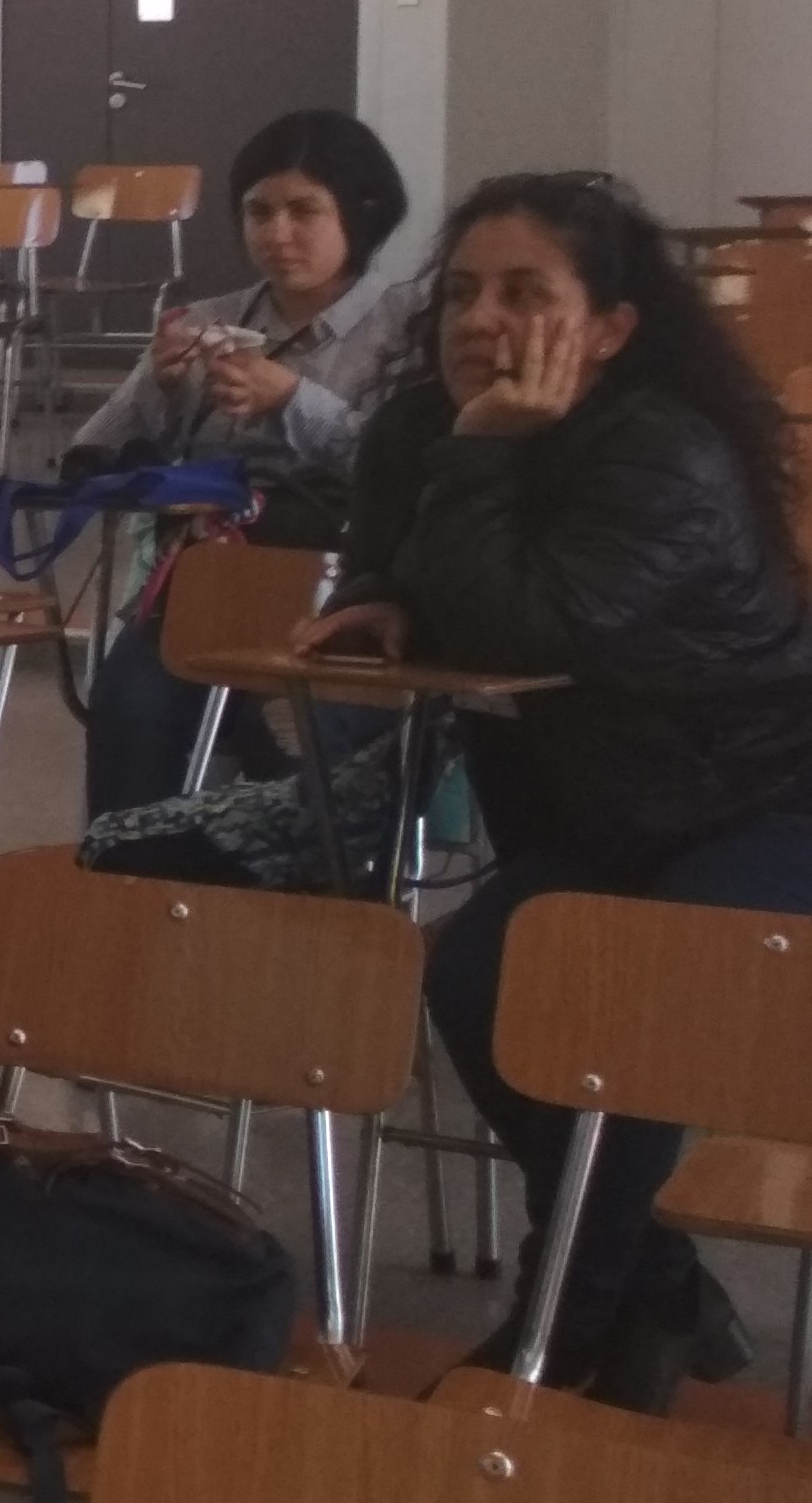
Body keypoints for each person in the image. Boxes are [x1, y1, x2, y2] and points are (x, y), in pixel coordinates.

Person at [294, 171, 812, 1413]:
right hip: (603, 811)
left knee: (618, 998)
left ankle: (564, 1318)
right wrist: (387, 596)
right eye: (461, 293)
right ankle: (657, 1289)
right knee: (474, 978)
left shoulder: (662, 452)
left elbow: (527, 621)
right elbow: (380, 563)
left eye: (525, 294)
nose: (480, 321)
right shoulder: (422, 425)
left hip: (761, 798)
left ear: (611, 326)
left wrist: (480, 457)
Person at [70, 111, 421, 818]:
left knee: (309, 736)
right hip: (209, 584)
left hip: (343, 593)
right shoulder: (206, 320)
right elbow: (93, 453)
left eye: (303, 211)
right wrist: (163, 390)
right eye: (259, 212)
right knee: (130, 704)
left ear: (361, 213)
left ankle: (304, 875)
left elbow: (409, 470)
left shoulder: (409, 325)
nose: (276, 234)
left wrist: (292, 398)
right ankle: (128, 874)